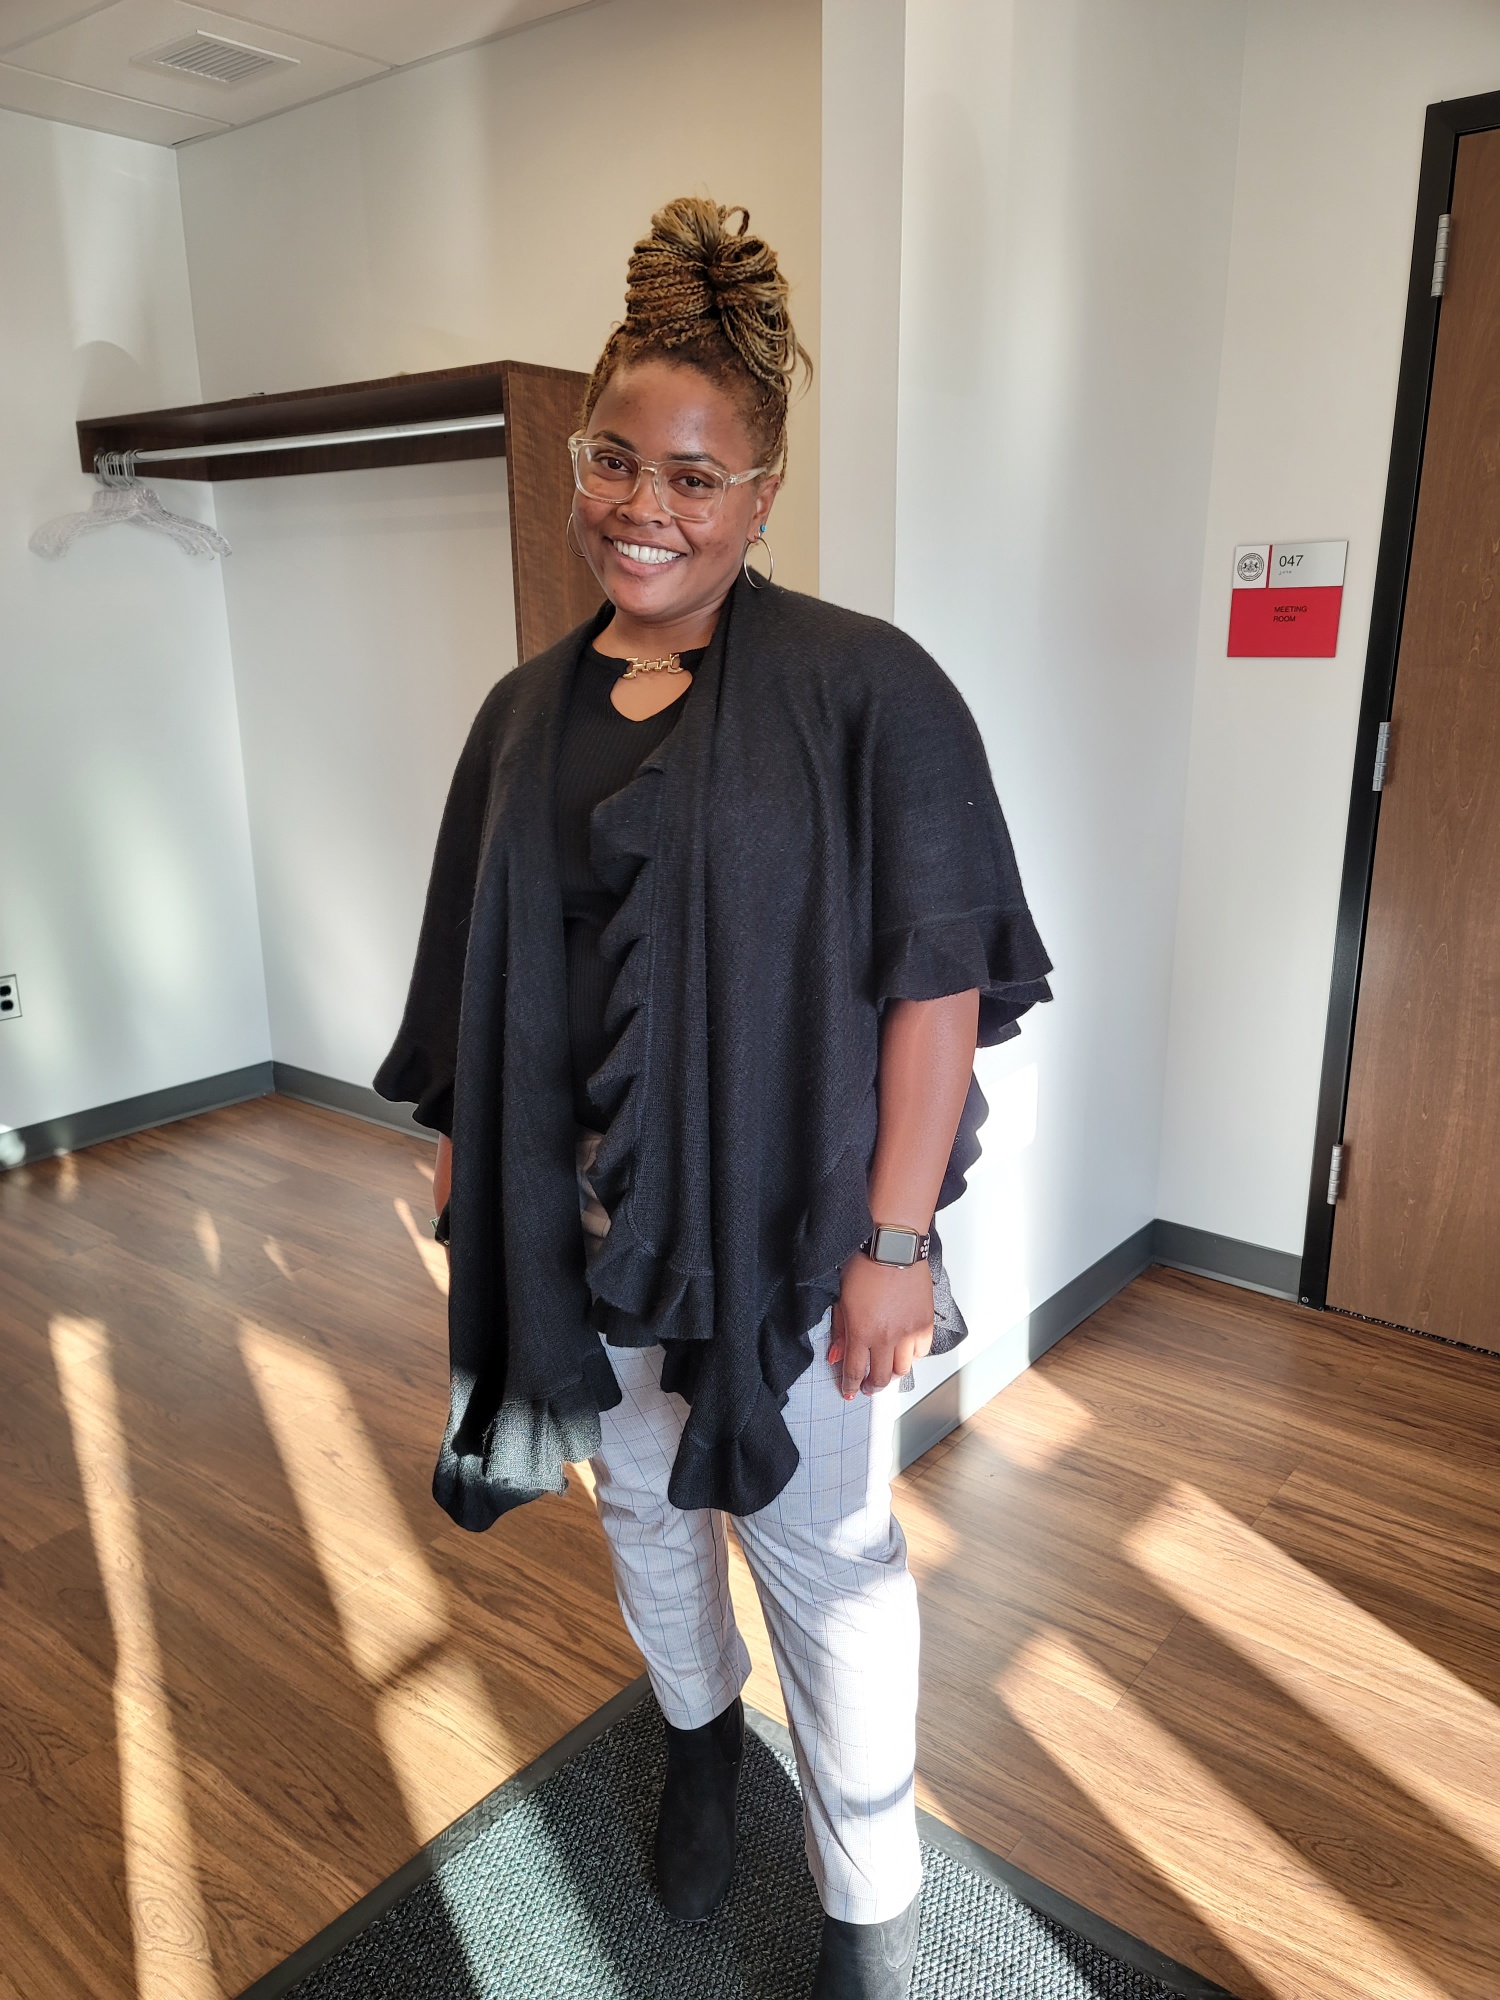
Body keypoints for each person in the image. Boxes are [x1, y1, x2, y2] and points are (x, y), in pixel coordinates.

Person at [375, 196, 1051, 2000]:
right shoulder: (524, 711)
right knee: (647, 1512)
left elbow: (938, 979)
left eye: (695, 475)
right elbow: (483, 963)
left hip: (792, 1224)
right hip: (584, 1220)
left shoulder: (868, 689)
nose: (644, 506)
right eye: (614, 460)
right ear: (578, 460)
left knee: (827, 1555)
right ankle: (695, 1740)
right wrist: (472, 1168)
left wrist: (895, 1243)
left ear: (761, 495)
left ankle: (869, 1908)